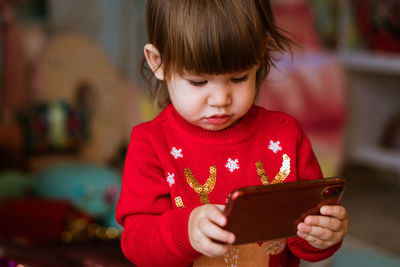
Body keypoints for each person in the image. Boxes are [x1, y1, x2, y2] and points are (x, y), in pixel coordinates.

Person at [115, 0, 349, 266]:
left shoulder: (285, 135)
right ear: (158, 62)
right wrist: (186, 231)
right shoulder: (151, 143)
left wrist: (323, 235)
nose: (220, 99)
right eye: (198, 81)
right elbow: (136, 243)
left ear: (260, 54)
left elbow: (303, 238)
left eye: (238, 78)